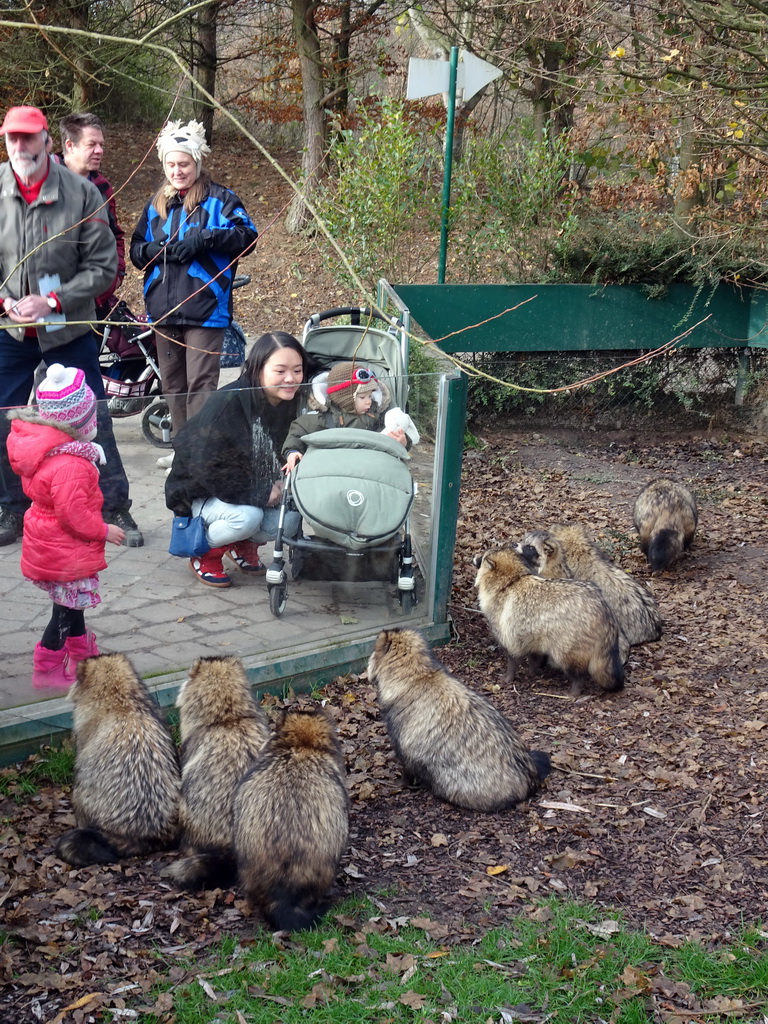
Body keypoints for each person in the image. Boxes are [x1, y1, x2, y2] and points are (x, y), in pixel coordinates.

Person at [0, 105, 144, 547]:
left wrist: (52, 299)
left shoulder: (83, 194)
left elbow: (104, 268)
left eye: (30, 138)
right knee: (5, 419)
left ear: (48, 141)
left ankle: (113, 505)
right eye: (13, 139)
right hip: (12, 329)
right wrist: (4, 298)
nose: (21, 146)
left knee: (93, 415)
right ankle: (12, 508)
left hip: (68, 326)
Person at [130, 119, 258, 450]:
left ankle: (199, 453)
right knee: (173, 384)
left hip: (205, 309)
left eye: (184, 164)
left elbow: (247, 237)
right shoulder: (156, 205)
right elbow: (135, 250)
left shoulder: (221, 200)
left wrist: (205, 238)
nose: (177, 170)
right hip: (164, 309)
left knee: (200, 383)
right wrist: (153, 251)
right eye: (171, 164)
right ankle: (182, 453)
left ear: (197, 163)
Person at [6, 364, 125, 689]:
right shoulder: (70, 464)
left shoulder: (54, 452)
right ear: (77, 423)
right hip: (64, 549)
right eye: (90, 418)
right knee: (63, 613)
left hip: (54, 545)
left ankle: (82, 656)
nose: (95, 423)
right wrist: (104, 530)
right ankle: (47, 668)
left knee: (72, 606)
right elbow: (74, 515)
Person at [165, 331, 310, 589]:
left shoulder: (288, 402)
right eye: (280, 371)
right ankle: (204, 553)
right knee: (248, 517)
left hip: (246, 488)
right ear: (257, 369)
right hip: (201, 492)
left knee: (289, 521)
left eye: (297, 370)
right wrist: (260, 492)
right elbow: (205, 468)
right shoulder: (228, 404)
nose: (291, 379)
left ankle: (243, 545)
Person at [282, 361, 412, 471]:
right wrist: (292, 451)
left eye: (370, 396)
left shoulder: (375, 418)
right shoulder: (323, 418)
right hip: (329, 470)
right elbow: (298, 430)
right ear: (345, 399)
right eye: (362, 397)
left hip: (367, 469)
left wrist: (403, 441)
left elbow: (389, 436)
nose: (369, 401)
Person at [59, 112, 126, 321]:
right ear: (70, 145)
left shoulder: (103, 187)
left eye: (101, 144)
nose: (99, 151)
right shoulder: (45, 182)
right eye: (92, 144)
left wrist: (116, 276)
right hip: (47, 300)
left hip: (93, 300)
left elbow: (115, 236)